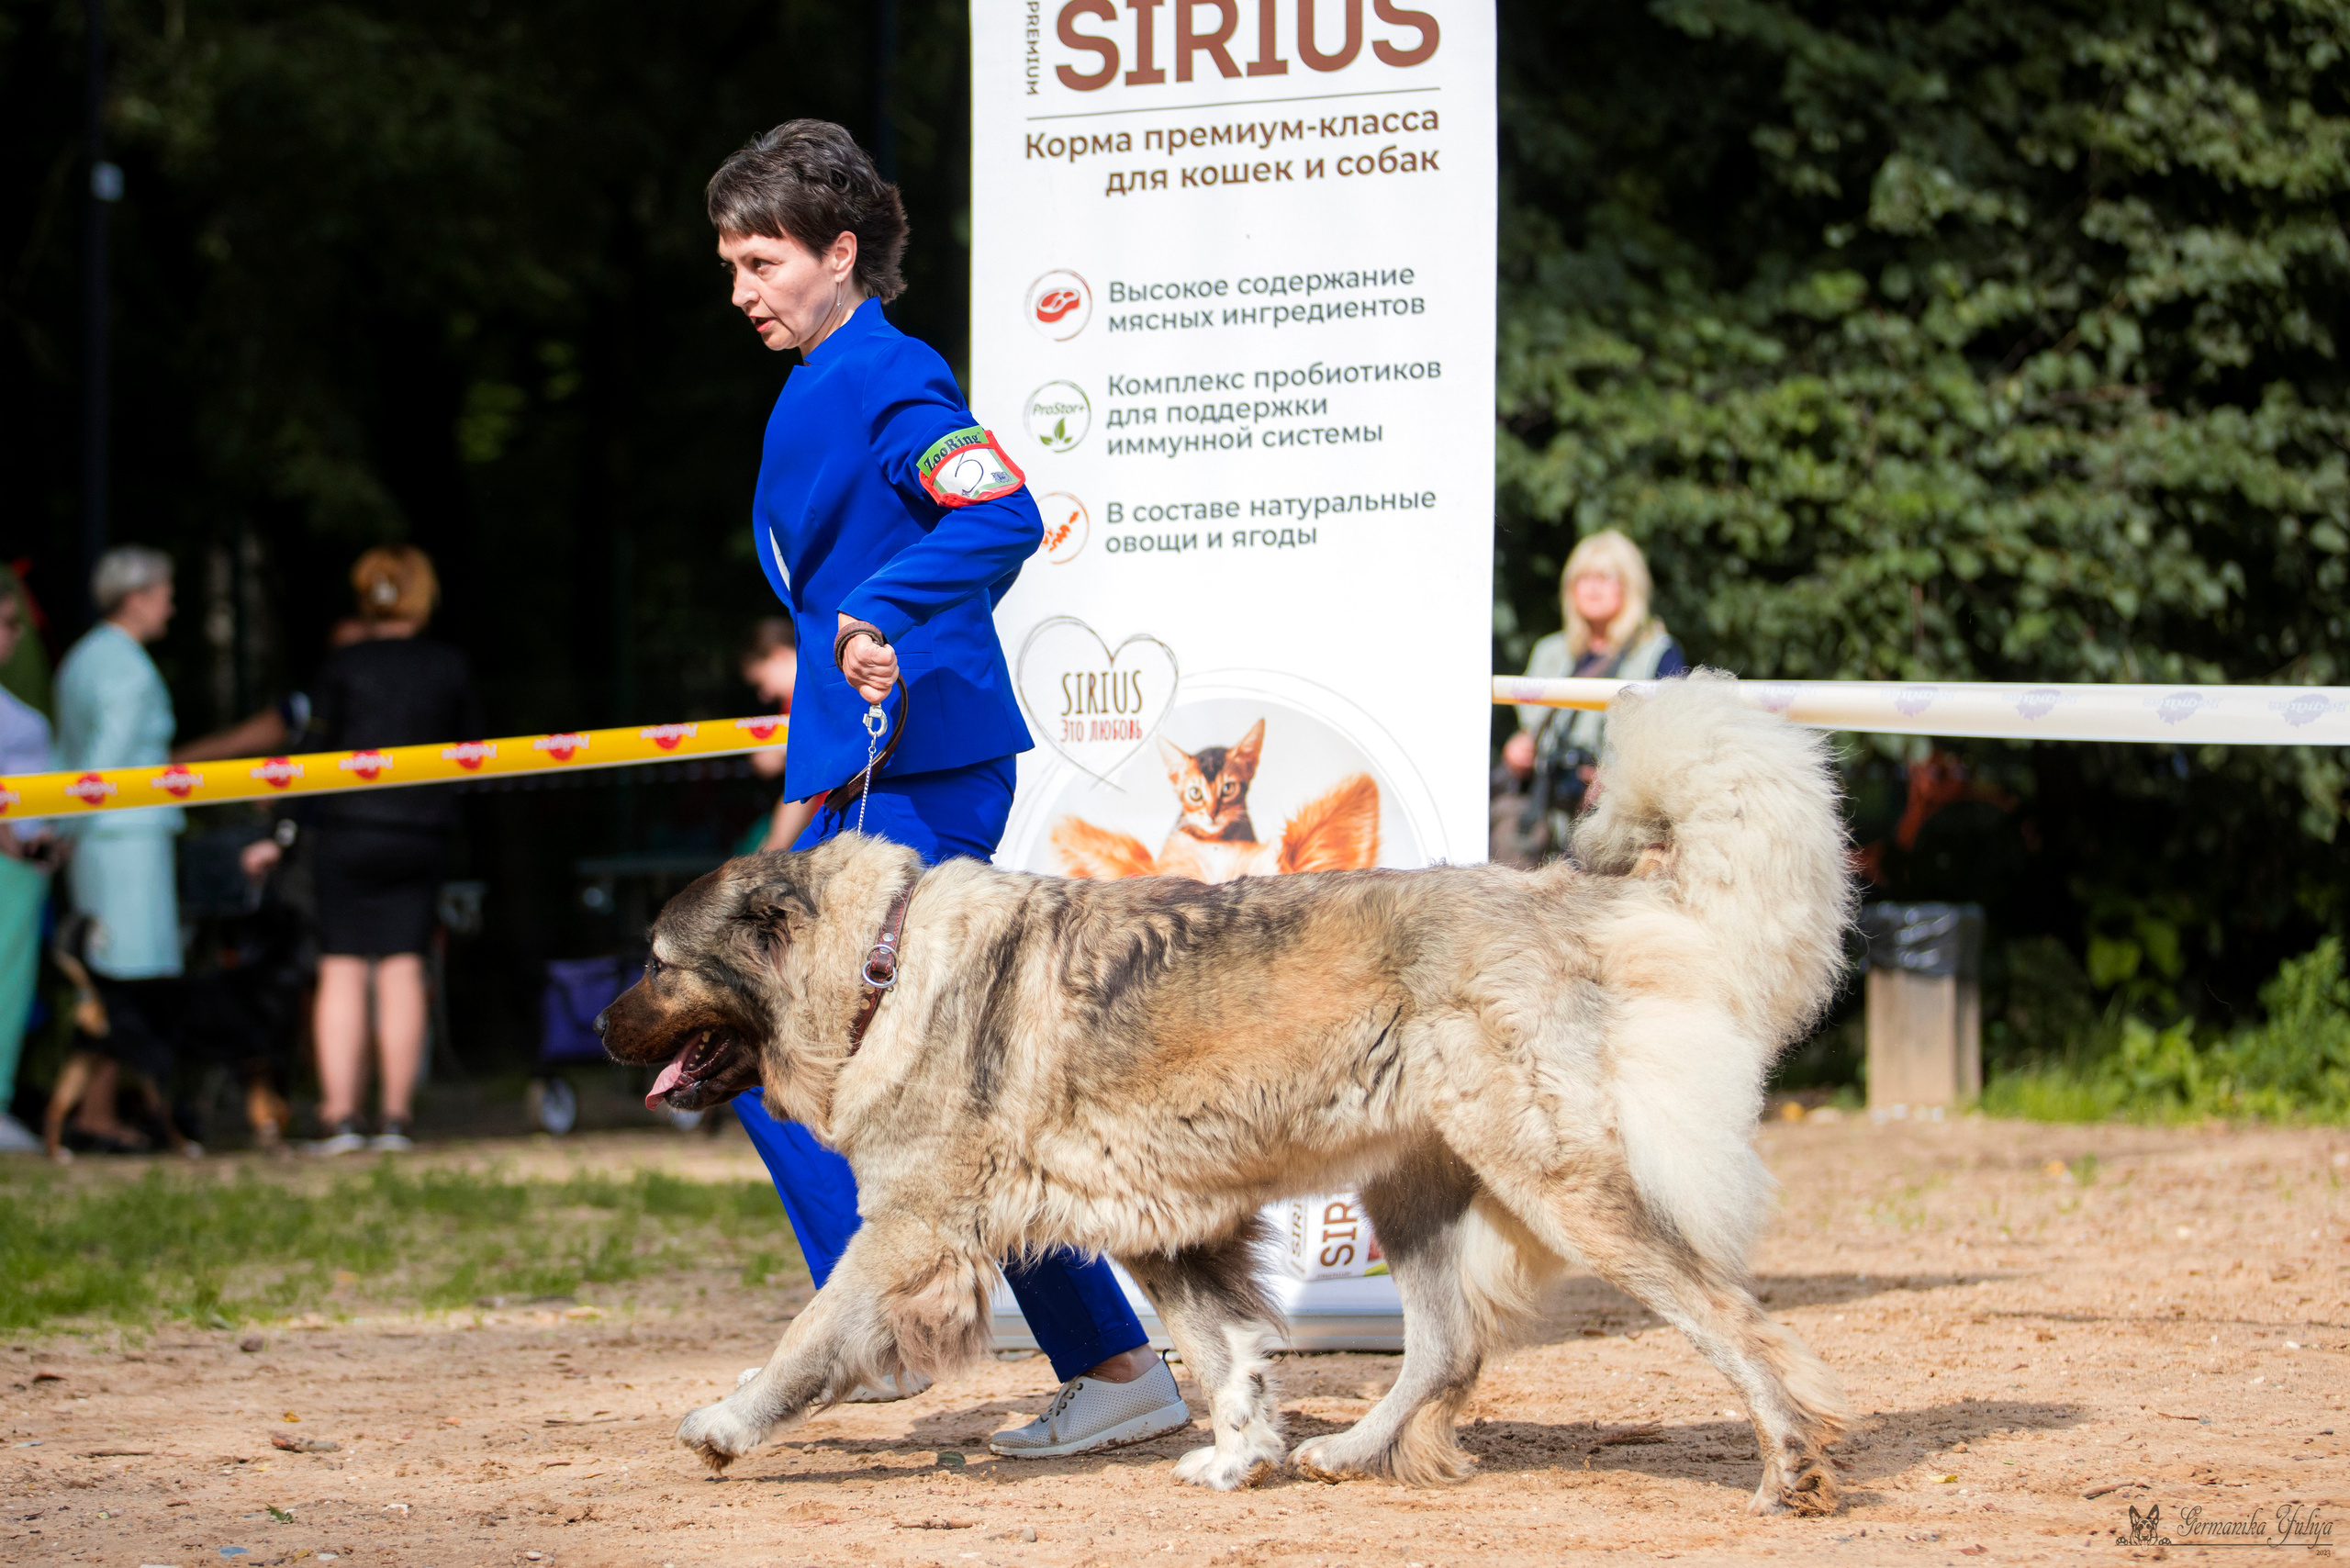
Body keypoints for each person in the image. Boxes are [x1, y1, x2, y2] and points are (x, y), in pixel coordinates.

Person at [707, 119, 1189, 1458]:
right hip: (873, 783)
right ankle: (1079, 1359)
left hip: (924, 779)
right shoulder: (829, 379)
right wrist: (797, 817)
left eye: (762, 260)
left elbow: (1002, 514)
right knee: (873, 1087)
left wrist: (879, 604)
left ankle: (905, 1336)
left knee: (834, 1075)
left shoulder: (886, 372)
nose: (742, 288)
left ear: (840, 251)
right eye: (733, 263)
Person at [245, 546, 481, 1155]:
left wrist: (282, 834)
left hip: (348, 834)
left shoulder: (342, 665)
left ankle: (340, 1118)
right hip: (420, 834)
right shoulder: (448, 665)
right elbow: (476, 757)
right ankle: (396, 1121)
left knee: (342, 968)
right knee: (403, 967)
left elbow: (312, 757)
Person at [52, 546, 189, 1148]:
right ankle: (108, 1117)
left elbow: (71, 756)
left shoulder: (83, 658)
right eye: (165, 593)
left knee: (106, 980)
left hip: (95, 841)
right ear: (136, 598)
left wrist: (63, 830)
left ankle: (106, 1112)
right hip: (126, 838)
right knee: (131, 983)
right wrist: (69, 826)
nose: (172, 605)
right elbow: (102, 765)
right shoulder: (128, 667)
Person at [1497, 530, 1687, 861]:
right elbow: (1532, 732)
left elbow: (1676, 743)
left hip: (1619, 817)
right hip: (1545, 811)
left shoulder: (1658, 653)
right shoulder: (1550, 652)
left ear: (1630, 586)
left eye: (1605, 577)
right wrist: (1518, 750)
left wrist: (1618, 777)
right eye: (1583, 577)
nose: (1593, 587)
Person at [0, 570, 62, 1153]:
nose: (15, 636)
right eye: (6, 624)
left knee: (15, 986)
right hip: (8, 862)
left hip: (25, 862)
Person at [734, 616, 800, 855]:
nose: (764, 695)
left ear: (779, 655)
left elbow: (803, 788)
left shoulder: (800, 702)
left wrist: (773, 850)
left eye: (761, 683)